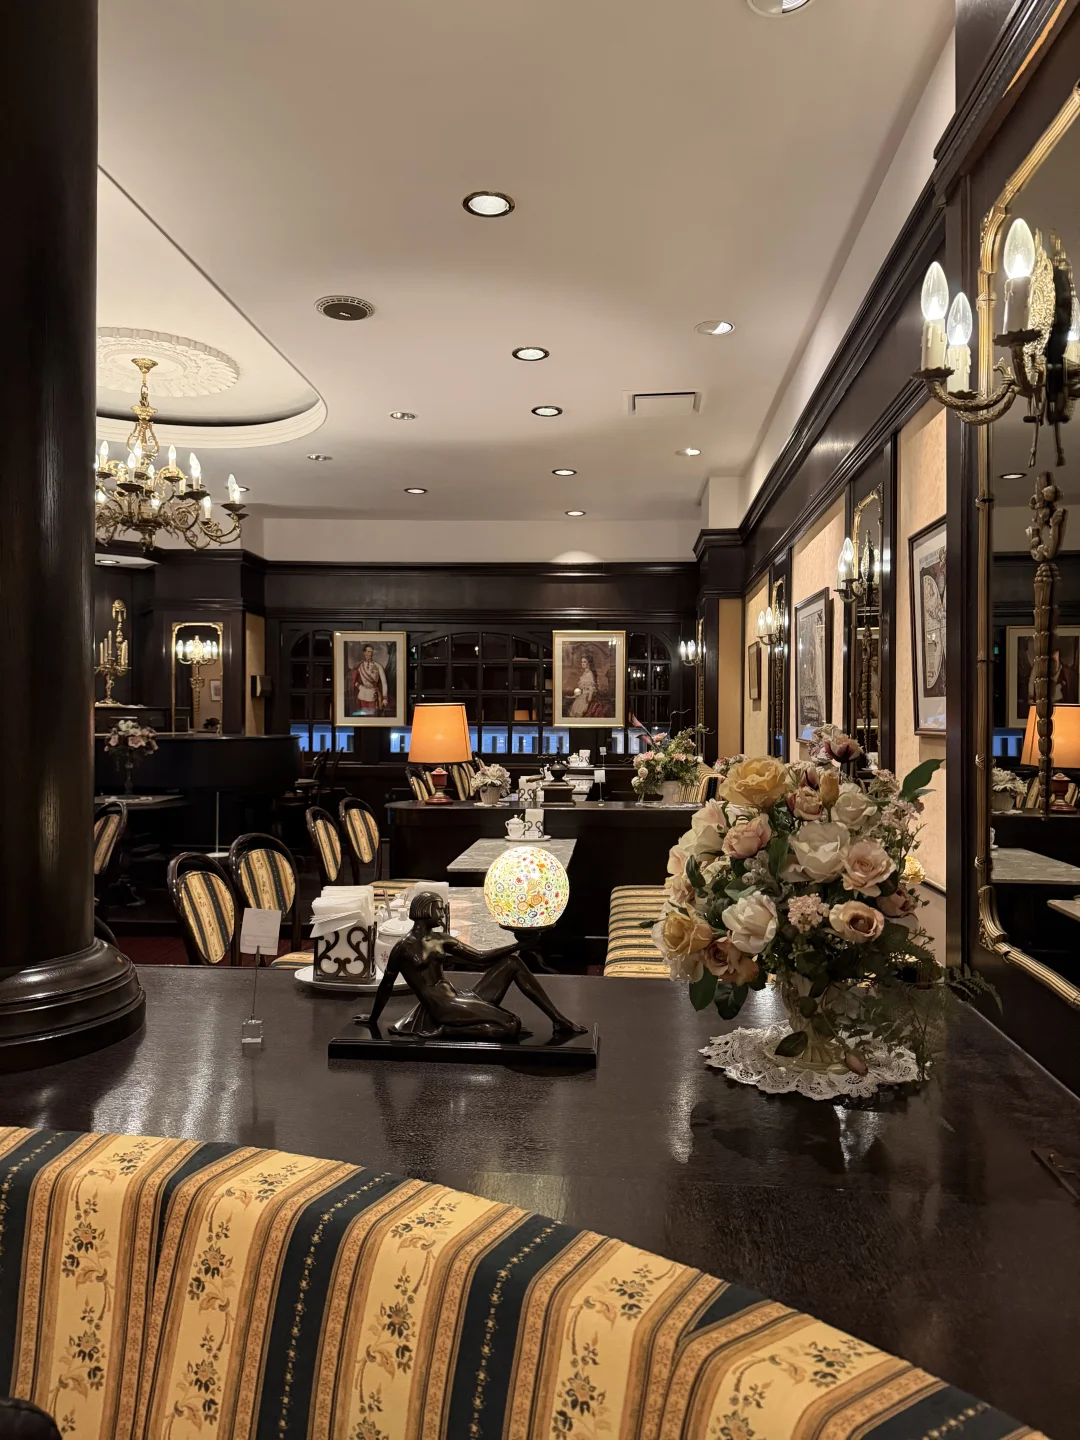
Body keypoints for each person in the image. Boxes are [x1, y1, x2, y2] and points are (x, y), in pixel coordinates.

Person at [354, 892, 586, 1041]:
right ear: (425, 910)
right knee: (511, 1025)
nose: (442, 912)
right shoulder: (403, 948)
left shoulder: (441, 939)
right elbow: (386, 984)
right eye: (438, 908)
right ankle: (447, 1029)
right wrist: (373, 1018)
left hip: (460, 996)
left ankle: (558, 1019)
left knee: (512, 962)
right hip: (443, 1007)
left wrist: (517, 946)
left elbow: (480, 958)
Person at [351, 643, 388, 717]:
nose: (370, 654)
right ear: (364, 653)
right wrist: (360, 687)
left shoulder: (378, 666)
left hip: (373, 695)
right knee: (365, 717)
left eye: (371, 652)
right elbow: (352, 680)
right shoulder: (359, 666)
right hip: (362, 695)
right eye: (368, 651)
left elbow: (384, 683)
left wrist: (384, 698)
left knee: (372, 717)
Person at [567, 652, 598, 718]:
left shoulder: (590, 674)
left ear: (589, 663)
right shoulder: (584, 673)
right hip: (582, 696)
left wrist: (589, 699)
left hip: (586, 697)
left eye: (585, 662)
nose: (582, 663)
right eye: (582, 662)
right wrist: (573, 696)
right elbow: (581, 689)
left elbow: (591, 688)